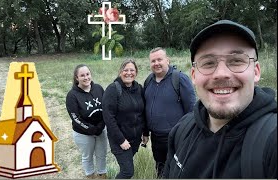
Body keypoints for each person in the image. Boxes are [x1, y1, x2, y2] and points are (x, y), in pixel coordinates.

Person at [163, 20, 277, 178]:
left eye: (236, 61)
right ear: (194, 76)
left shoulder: (272, 141)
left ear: (256, 71)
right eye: (208, 63)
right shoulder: (181, 130)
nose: (221, 73)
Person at [144, 47, 196, 178]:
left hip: (176, 137)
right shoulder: (148, 81)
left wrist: (188, 135)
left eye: (159, 59)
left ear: (167, 60)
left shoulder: (180, 79)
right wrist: (145, 132)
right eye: (153, 61)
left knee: (176, 169)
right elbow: (144, 108)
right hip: (156, 137)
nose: (156, 63)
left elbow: (191, 110)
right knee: (160, 167)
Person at [102, 59, 149, 179]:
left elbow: (142, 113)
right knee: (128, 172)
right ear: (120, 72)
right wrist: (121, 140)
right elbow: (108, 117)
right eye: (125, 70)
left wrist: (145, 132)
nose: (129, 73)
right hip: (119, 140)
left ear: (136, 72)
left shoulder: (139, 88)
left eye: (132, 70)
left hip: (135, 139)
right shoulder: (113, 89)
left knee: (126, 167)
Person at [66, 64, 108, 179]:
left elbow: (106, 108)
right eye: (82, 75)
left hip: (101, 130)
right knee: (87, 157)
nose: (86, 78)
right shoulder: (72, 95)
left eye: (88, 74)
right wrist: (91, 129)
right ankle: (91, 176)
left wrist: (100, 126)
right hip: (83, 133)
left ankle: (102, 175)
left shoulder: (99, 88)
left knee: (102, 155)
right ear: (76, 78)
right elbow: (75, 118)